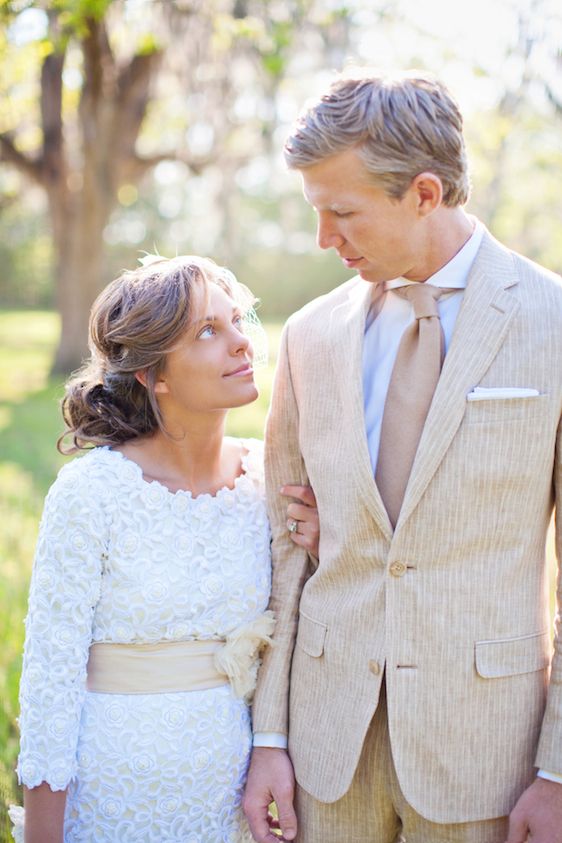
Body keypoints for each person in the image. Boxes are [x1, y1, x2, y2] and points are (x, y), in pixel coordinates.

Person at [243, 71, 562, 843]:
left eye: (341, 212)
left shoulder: (553, 323)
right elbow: (287, 548)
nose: (325, 239)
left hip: (488, 752)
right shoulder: (310, 335)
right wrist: (270, 738)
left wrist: (558, 771)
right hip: (327, 751)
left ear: (424, 192)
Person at [11, 255, 320, 843]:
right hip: (116, 794)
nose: (242, 343)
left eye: (237, 320)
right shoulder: (91, 493)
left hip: (235, 798)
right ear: (155, 375)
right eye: (208, 331)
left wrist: (327, 545)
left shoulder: (271, 481)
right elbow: (51, 682)